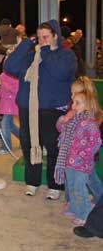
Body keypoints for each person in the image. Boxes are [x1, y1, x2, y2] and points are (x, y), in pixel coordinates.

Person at [5, 19, 77, 199]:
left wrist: (45, 52)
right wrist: (26, 43)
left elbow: (60, 72)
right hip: (28, 108)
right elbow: (9, 67)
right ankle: (32, 181)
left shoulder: (66, 56)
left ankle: (55, 185)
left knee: (53, 148)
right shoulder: (30, 56)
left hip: (52, 109)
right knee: (29, 145)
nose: (42, 41)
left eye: (46, 37)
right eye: (39, 38)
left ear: (55, 37)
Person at [54, 92, 102, 225]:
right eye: (73, 102)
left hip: (81, 164)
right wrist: (63, 120)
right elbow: (60, 130)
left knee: (80, 189)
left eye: (77, 103)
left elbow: (96, 142)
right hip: (69, 161)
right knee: (72, 187)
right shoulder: (73, 119)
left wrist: (85, 155)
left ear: (88, 105)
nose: (73, 106)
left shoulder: (90, 123)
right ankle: (75, 208)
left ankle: (85, 213)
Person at [0, 69, 20, 155]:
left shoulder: (18, 76)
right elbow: (0, 92)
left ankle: (6, 147)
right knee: (10, 125)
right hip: (4, 105)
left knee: (4, 124)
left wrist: (2, 84)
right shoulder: (2, 76)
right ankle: (25, 140)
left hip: (12, 105)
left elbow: (16, 90)